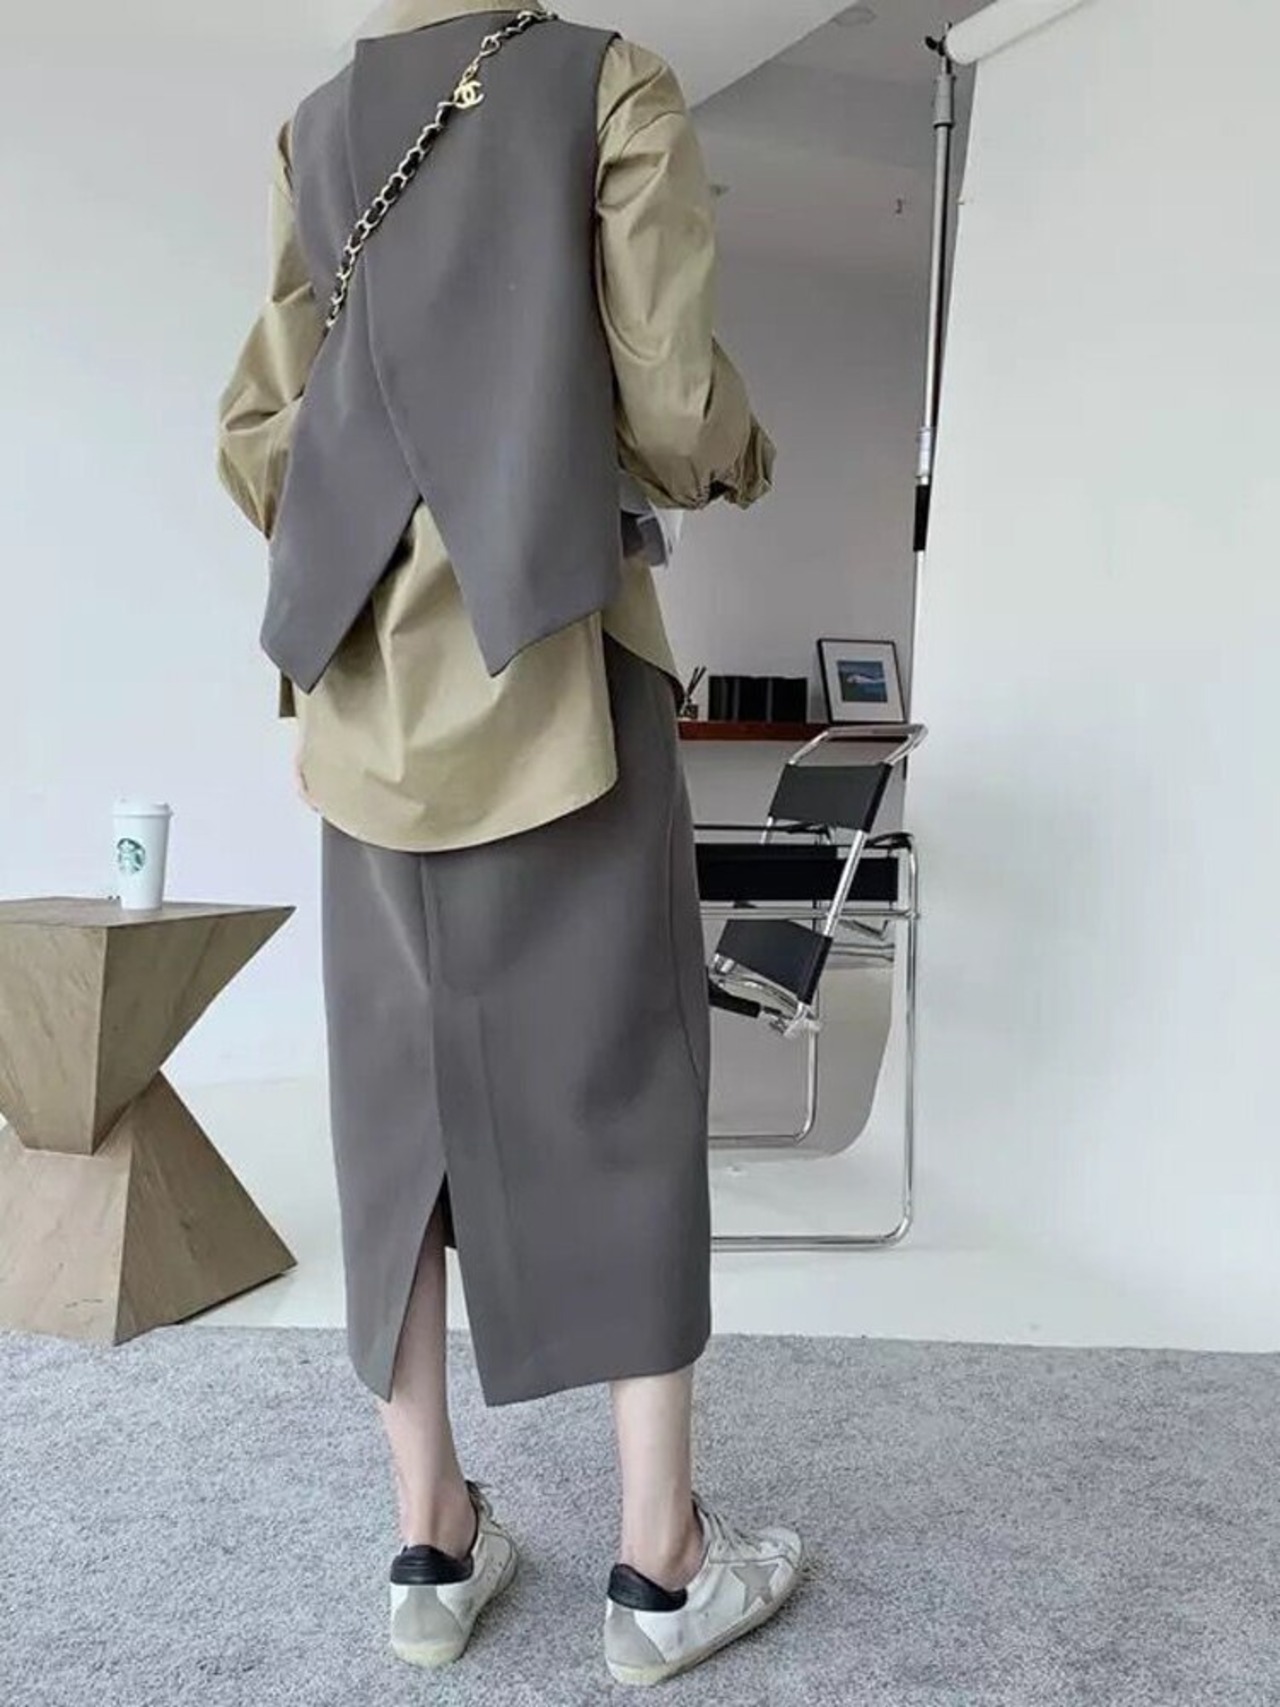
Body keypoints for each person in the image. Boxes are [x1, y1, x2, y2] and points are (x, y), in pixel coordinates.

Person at [217, 0, 803, 1686]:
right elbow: (674, 404)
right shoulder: (607, 82)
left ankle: (431, 1541)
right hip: (553, 671)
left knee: (394, 1114)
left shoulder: (321, 124)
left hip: (360, 693)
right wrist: (743, 456)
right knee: (624, 1088)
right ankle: (660, 1564)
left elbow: (259, 433)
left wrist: (368, 554)